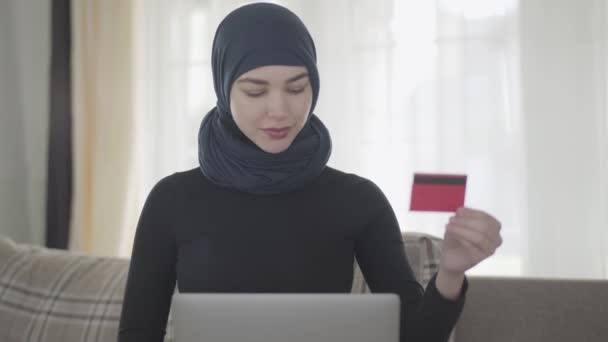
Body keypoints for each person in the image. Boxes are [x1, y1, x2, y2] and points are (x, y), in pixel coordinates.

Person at [117, 3, 502, 342]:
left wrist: (450, 272)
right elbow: (137, 334)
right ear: (223, 88)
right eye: (255, 91)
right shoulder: (172, 201)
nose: (280, 110)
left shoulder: (358, 200)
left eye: (297, 88)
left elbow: (414, 337)